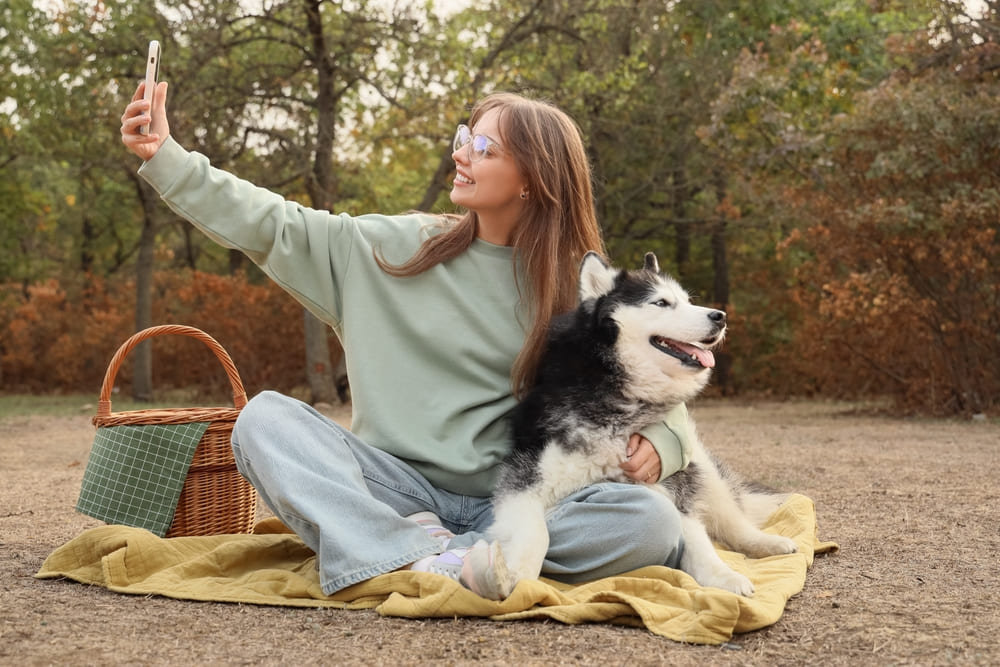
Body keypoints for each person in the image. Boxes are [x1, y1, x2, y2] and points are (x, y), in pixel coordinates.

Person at [120, 79, 695, 600]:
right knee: (263, 422)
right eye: (465, 137)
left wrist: (666, 444)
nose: (461, 153)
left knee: (652, 522)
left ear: (533, 181)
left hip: (525, 502)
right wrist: (167, 159)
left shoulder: (580, 286)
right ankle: (430, 556)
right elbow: (271, 222)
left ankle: (441, 555)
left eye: (484, 148)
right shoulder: (390, 249)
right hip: (394, 492)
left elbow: (658, 375)